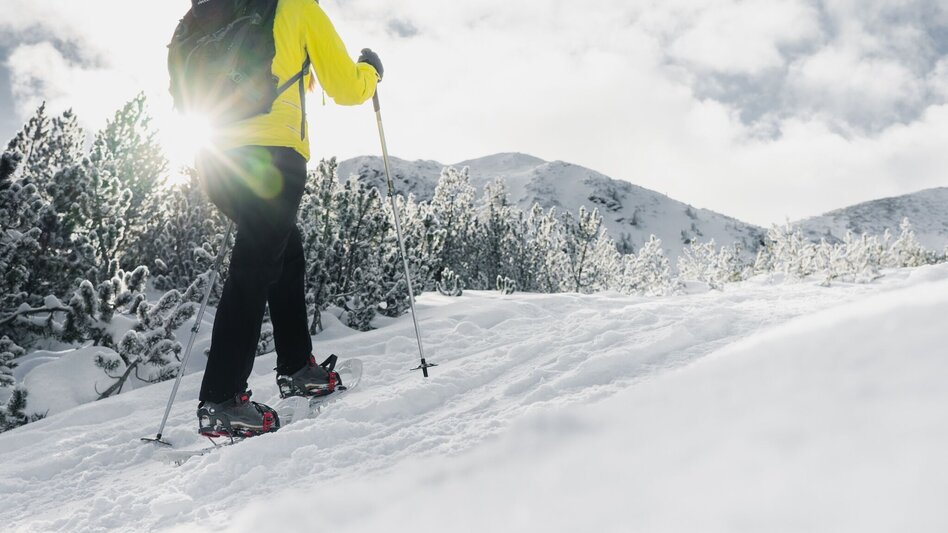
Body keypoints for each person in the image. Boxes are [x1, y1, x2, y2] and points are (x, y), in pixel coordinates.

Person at [194, 0, 383, 438]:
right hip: (273, 156)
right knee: (255, 266)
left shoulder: (214, 11)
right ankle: (222, 398)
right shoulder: (296, 6)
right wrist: (370, 71)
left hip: (215, 158)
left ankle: (297, 367)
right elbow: (345, 87)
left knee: (284, 252)